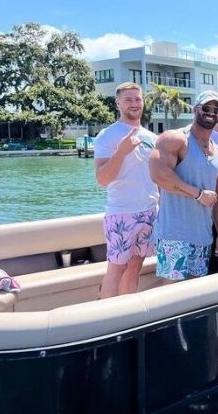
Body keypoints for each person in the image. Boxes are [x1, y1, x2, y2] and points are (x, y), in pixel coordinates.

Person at [149, 91, 218, 282]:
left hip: (203, 238)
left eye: (216, 109)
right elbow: (158, 175)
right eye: (206, 108)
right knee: (171, 295)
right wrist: (198, 194)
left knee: (193, 297)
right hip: (173, 235)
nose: (211, 112)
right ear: (195, 109)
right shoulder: (175, 139)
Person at [94, 82, 159, 298]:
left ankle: (127, 315)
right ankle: (106, 318)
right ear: (118, 103)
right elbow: (102, 178)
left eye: (137, 99)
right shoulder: (108, 135)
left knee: (135, 266)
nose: (134, 103)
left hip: (149, 211)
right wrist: (121, 153)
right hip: (122, 213)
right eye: (128, 99)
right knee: (117, 268)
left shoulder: (152, 138)